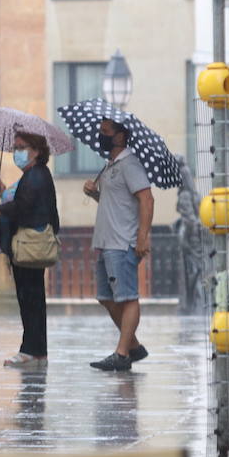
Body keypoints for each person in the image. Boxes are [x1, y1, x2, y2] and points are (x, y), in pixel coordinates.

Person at [0, 130, 59, 367]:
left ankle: (30, 350)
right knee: (31, 297)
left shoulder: (36, 175)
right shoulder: (33, 175)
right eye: (15, 147)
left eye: (22, 147)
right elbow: (21, 198)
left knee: (30, 297)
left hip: (29, 244)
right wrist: (3, 192)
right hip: (29, 242)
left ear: (36, 151)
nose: (17, 152)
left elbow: (23, 206)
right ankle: (36, 350)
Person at [82, 116, 154, 372]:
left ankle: (122, 354)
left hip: (123, 242)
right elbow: (117, 204)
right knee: (105, 296)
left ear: (121, 136)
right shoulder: (110, 165)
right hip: (105, 240)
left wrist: (142, 236)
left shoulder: (130, 164)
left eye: (106, 131)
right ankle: (133, 345)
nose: (101, 135)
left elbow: (146, 199)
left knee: (127, 296)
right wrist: (95, 195)